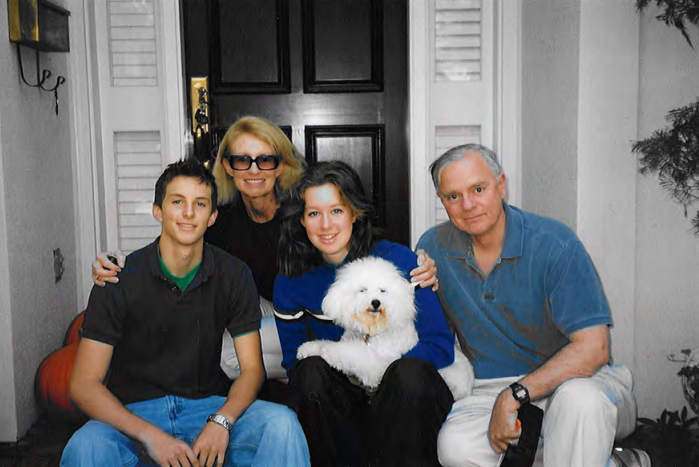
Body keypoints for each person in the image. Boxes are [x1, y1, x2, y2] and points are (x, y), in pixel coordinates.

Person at [91, 116, 438, 382]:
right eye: (242, 160)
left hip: (323, 309)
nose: (254, 170)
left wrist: (417, 267)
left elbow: (362, 249)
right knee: (224, 351)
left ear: (282, 164)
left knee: (239, 352)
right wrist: (123, 262)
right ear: (227, 166)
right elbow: (179, 243)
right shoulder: (221, 219)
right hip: (269, 310)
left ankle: (328, 368)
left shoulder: (306, 207)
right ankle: (305, 372)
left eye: (265, 160)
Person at [61, 159, 310, 467]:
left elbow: (252, 369)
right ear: (158, 211)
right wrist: (150, 436)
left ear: (212, 216)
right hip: (134, 414)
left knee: (282, 424)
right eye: (177, 201)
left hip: (208, 408)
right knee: (85, 447)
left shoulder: (234, 275)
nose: (189, 212)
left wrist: (222, 421)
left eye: (200, 203)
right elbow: (83, 384)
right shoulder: (117, 278)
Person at [416, 144, 639, 467]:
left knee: (579, 406)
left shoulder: (554, 243)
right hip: (487, 389)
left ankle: (592, 453)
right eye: (453, 196)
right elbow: (431, 334)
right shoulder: (433, 247)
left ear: (501, 185)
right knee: (456, 448)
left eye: (478, 189)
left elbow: (594, 349)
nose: (468, 205)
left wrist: (515, 394)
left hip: (578, 380)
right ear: (442, 201)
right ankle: (607, 462)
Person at [273, 160, 456, 467]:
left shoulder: (397, 260)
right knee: (310, 372)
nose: (326, 225)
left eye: (337, 211)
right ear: (302, 221)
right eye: (314, 214)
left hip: (404, 394)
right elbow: (296, 362)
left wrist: (380, 379)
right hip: (343, 402)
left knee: (409, 373)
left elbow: (439, 345)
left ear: (355, 213)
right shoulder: (292, 279)